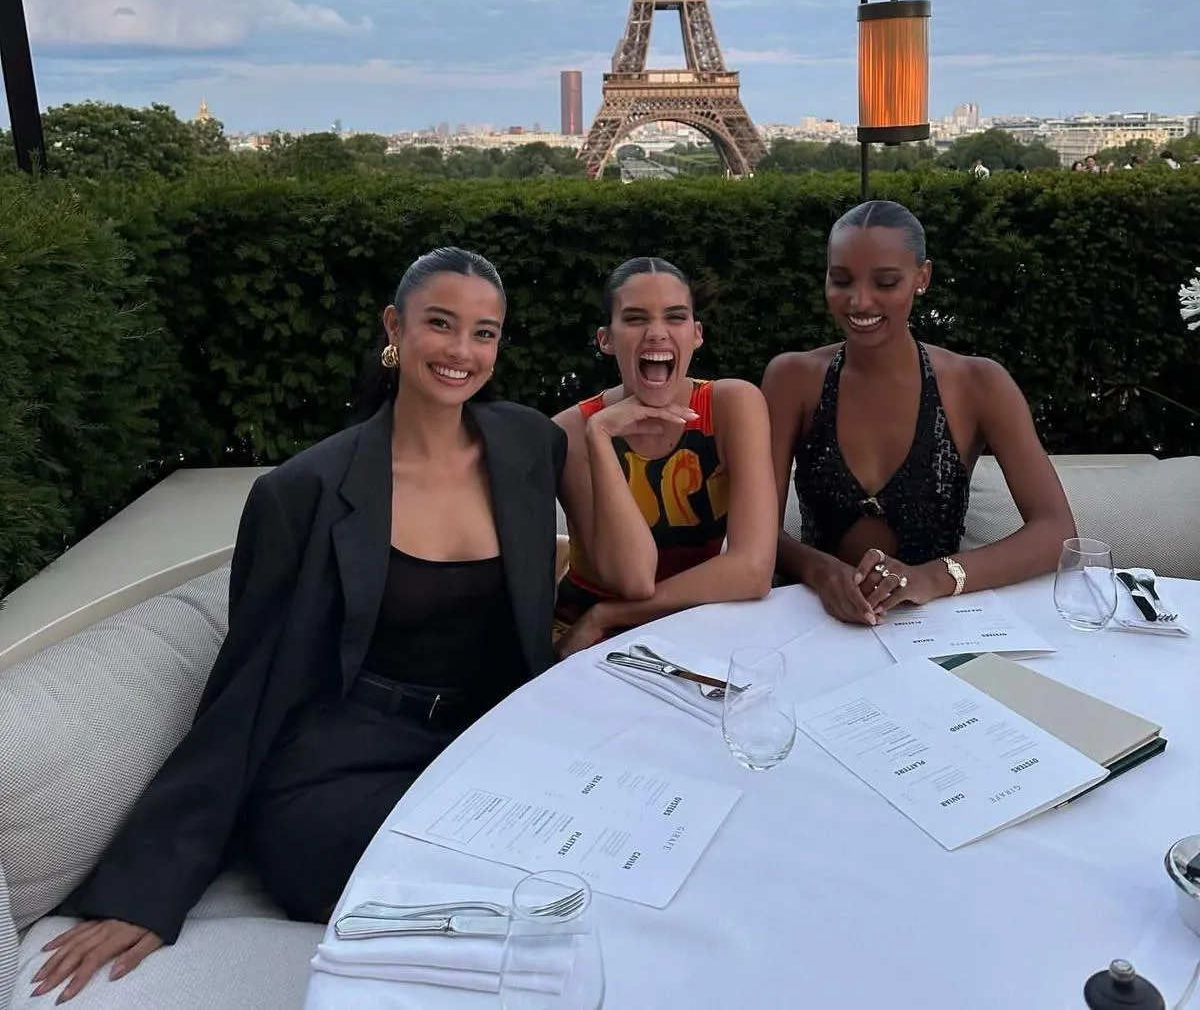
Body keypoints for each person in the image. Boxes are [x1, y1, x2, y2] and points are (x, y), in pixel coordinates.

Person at [33, 247, 650, 1003]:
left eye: (484, 333)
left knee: (619, 840)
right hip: (341, 765)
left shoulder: (528, 444)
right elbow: (245, 686)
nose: (462, 352)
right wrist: (147, 889)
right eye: (440, 325)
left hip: (482, 742)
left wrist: (596, 447)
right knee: (500, 887)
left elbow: (629, 577)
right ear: (395, 327)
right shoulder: (304, 492)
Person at [761, 202, 1075, 626]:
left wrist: (933, 577)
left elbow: (1056, 531)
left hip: (937, 630)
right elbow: (755, 531)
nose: (859, 300)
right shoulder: (792, 380)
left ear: (921, 277)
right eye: (841, 280)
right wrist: (819, 571)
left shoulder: (978, 384)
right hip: (812, 623)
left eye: (886, 282)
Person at [553, 257, 777, 656]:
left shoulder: (731, 406)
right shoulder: (572, 431)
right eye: (636, 319)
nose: (657, 334)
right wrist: (601, 435)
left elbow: (753, 569)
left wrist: (611, 613)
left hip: (680, 620)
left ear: (696, 334)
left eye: (674, 318)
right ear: (606, 339)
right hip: (586, 633)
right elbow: (634, 579)